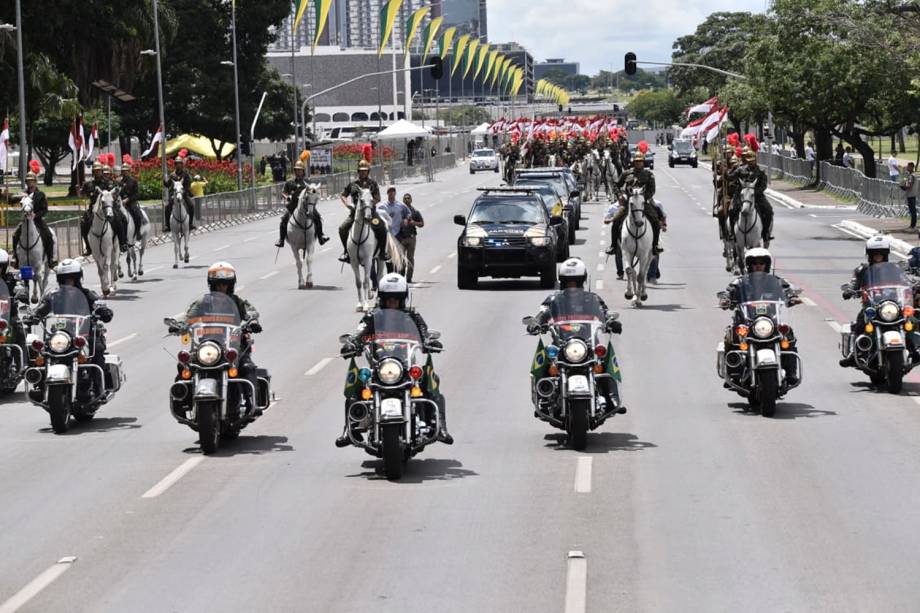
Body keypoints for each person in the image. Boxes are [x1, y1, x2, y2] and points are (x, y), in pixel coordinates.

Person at [336, 273, 452, 447]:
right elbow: (360, 332)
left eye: (396, 298)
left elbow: (423, 332)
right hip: (379, 365)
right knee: (358, 380)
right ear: (382, 298)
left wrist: (429, 341)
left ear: (402, 299)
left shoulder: (412, 316)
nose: (392, 302)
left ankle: (441, 426)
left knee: (430, 378)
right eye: (388, 298)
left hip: (405, 364)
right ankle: (349, 428)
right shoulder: (372, 317)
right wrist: (352, 343)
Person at [526, 258, 625, 411]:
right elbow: (543, 313)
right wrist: (536, 322)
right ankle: (543, 397)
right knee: (546, 362)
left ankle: (612, 398)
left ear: (582, 281)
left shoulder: (593, 299)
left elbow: (604, 313)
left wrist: (611, 322)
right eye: (568, 282)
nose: (572, 286)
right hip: (561, 344)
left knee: (603, 362)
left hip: (588, 343)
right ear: (562, 281)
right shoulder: (553, 300)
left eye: (576, 282)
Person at [177, 262, 264, 414]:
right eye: (218, 284)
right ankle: (181, 401)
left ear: (231, 285)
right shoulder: (203, 302)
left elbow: (250, 312)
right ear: (212, 285)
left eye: (225, 284)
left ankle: (252, 401)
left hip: (233, 344)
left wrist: (253, 322)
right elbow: (189, 316)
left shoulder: (236, 301)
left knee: (247, 367)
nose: (222, 287)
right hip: (207, 344)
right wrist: (180, 325)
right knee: (184, 366)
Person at [27, 259, 113, 396]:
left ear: (77, 279)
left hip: (84, 332)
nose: (68, 281)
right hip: (62, 333)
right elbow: (43, 307)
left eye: (71, 278)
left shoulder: (87, 294)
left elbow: (97, 304)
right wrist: (34, 315)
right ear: (59, 279)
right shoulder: (53, 295)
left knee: (97, 349)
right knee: (43, 352)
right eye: (64, 279)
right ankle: (40, 386)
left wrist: (103, 311)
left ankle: (98, 388)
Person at [719, 248, 801, 384]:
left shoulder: (777, 281)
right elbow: (728, 292)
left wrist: (792, 297)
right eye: (754, 263)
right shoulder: (740, 282)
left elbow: (788, 289)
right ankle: (733, 372)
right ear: (749, 265)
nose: (758, 266)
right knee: (732, 335)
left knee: (787, 333)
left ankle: (791, 372)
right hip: (746, 321)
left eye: (761, 263)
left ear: (767, 265)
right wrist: (725, 299)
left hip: (771, 321)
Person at [839, 236, 919, 366]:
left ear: (886, 254)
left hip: (893, 305)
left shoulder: (895, 268)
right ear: (869, 255)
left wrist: (914, 286)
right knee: (860, 324)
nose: (878, 256)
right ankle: (855, 353)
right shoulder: (863, 270)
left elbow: (906, 281)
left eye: (881, 253)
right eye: (875, 253)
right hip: (872, 307)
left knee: (911, 321)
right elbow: (854, 283)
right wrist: (850, 290)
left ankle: (913, 350)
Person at [610, 148, 663, 254]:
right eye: (637, 161)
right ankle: (613, 246)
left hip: (643, 203)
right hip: (629, 203)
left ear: (643, 162)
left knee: (655, 221)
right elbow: (616, 185)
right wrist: (619, 195)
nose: (638, 163)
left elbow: (652, 190)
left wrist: (643, 198)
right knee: (616, 221)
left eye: (640, 161)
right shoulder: (626, 173)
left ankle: (655, 245)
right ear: (634, 162)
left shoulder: (649, 174)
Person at [337, 159, 389, 264]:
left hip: (370, 213)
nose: (363, 172)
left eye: (365, 170)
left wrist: (368, 204)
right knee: (342, 228)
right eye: (361, 170)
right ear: (358, 171)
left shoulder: (372, 183)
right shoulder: (353, 184)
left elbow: (378, 198)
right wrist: (347, 204)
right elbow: (343, 195)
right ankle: (346, 252)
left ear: (368, 171)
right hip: (355, 214)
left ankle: (383, 252)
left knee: (382, 227)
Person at [8, 170, 56, 268]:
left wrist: (35, 215)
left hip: (37, 221)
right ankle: (16, 258)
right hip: (25, 221)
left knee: (49, 235)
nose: (30, 183)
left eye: (32, 181)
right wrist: (9, 196)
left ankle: (50, 258)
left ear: (35, 182)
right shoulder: (23, 193)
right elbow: (11, 200)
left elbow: (44, 209)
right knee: (15, 235)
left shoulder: (40, 194)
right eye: (28, 181)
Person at [275, 160, 329, 248]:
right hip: (293, 206)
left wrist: (314, 192)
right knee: (283, 220)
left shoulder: (307, 182)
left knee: (317, 217)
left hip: (306, 206)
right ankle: (281, 240)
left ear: (303, 171)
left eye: (300, 170)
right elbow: (283, 192)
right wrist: (287, 197)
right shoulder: (290, 182)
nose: (298, 172)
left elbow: (313, 191)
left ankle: (321, 236)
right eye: (296, 170)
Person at [729, 146, 774, 246]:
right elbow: (731, 177)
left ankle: (766, 233)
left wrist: (754, 192)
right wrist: (725, 173)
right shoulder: (740, 170)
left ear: (755, 160)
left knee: (768, 210)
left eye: (752, 160)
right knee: (732, 210)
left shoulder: (760, 171)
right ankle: (732, 233)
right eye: (748, 160)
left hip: (757, 196)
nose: (750, 162)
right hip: (742, 196)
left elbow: (763, 185)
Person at [164, 153, 196, 231]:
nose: (178, 165)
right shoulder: (172, 175)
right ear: (175, 165)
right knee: (167, 207)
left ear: (182, 164)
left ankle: (190, 224)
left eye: (179, 163)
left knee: (191, 205)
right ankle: (167, 225)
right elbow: (168, 185)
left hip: (184, 193)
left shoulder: (185, 174)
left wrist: (184, 191)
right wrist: (164, 181)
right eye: (177, 164)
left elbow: (188, 185)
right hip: (175, 194)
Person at [397, 192, 424, 283]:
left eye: (408, 198)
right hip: (401, 238)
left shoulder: (415, 212)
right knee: (401, 258)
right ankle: (401, 275)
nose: (407, 200)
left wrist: (414, 223)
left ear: (411, 200)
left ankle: (409, 277)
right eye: (405, 198)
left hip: (411, 238)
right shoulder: (399, 211)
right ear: (403, 200)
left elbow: (422, 223)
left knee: (410, 258)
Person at [120, 160, 146, 242]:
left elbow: (136, 194)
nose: (125, 172)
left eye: (126, 171)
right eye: (123, 171)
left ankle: (138, 232)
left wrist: (128, 199)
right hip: (121, 203)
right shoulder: (120, 182)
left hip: (131, 202)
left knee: (136, 214)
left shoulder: (133, 181)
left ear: (129, 171)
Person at [901, 162, 918, 229]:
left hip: (911, 195)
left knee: (912, 211)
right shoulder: (913, 175)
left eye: (908, 166)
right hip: (912, 194)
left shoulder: (912, 176)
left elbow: (909, 185)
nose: (907, 167)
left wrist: (903, 187)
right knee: (912, 210)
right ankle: (912, 225)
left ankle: (912, 225)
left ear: (911, 167)